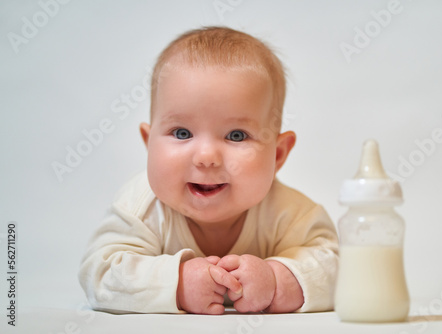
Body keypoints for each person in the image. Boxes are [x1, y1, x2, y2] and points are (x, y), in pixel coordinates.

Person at [78, 26, 338, 315]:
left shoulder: (291, 215)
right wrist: (177, 284)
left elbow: (337, 267)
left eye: (236, 135)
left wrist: (279, 280)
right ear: (148, 143)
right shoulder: (142, 210)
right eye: (181, 132)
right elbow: (100, 274)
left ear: (277, 155)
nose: (206, 157)